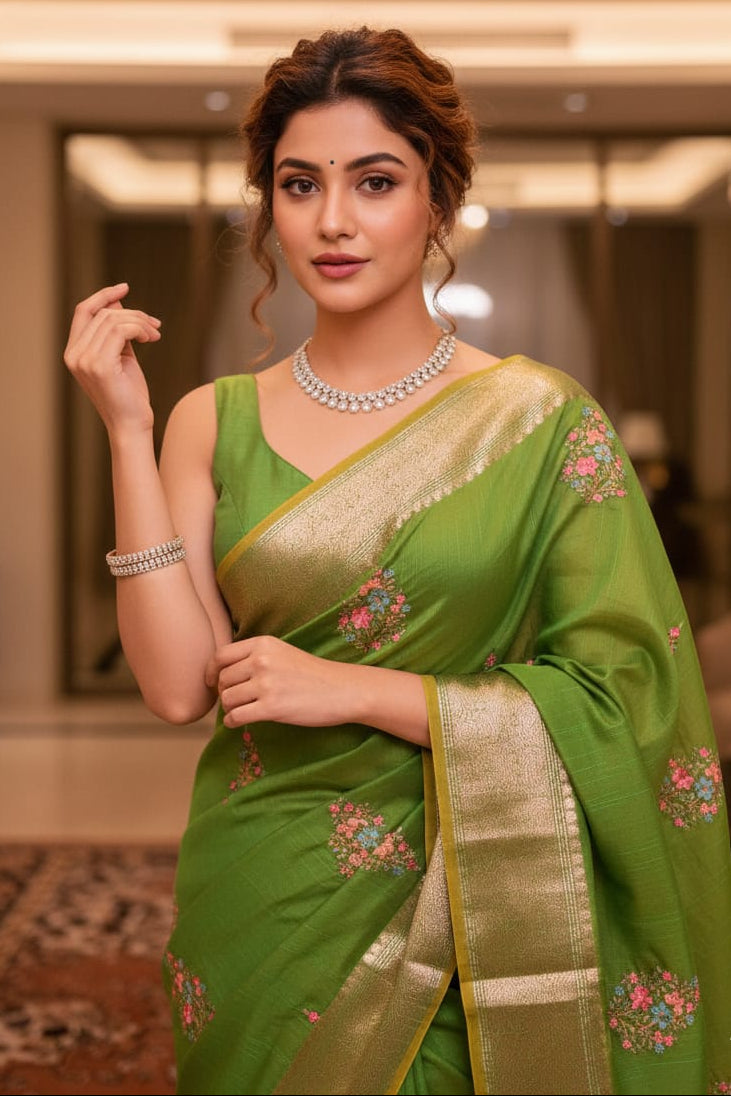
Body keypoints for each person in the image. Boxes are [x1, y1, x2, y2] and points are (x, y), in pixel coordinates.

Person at [63, 25, 731, 1096]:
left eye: (375, 181)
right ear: (267, 209)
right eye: (298, 184)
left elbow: (626, 695)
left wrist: (354, 689)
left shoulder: (540, 423)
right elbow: (175, 686)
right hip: (267, 883)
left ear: (437, 197)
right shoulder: (206, 419)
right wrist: (126, 435)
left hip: (479, 896)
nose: (332, 220)